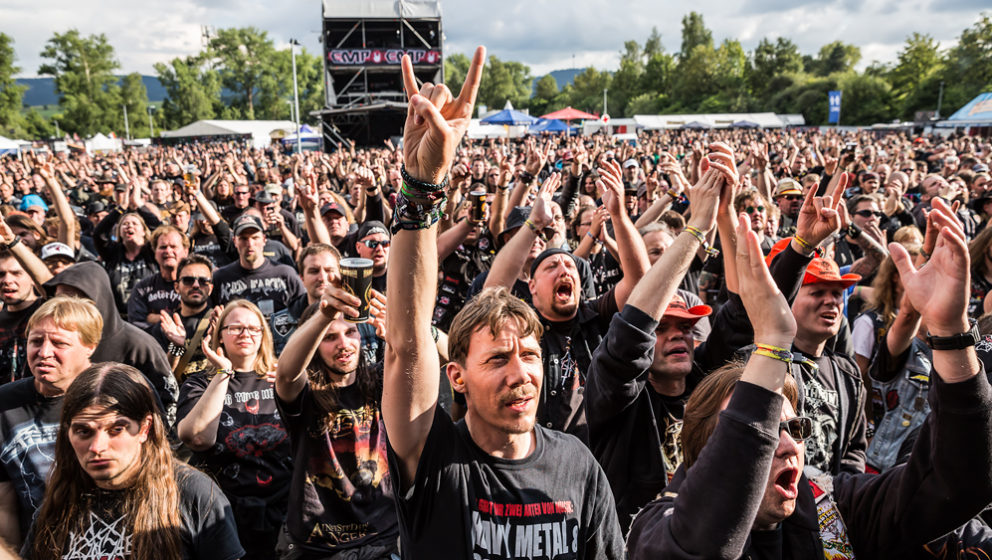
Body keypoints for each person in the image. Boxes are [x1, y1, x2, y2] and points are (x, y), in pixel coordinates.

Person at [627, 207, 992, 559]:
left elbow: (955, 481)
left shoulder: (831, 506)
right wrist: (772, 341)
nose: (788, 444)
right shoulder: (658, 528)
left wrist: (950, 334)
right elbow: (699, 544)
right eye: (764, 432)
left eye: (796, 428)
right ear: (707, 448)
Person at [383, 46, 624, 559]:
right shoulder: (435, 458)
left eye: (531, 355)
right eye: (496, 359)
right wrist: (423, 188)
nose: (522, 374)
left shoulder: (578, 465)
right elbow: (406, 343)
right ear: (456, 377)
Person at [584, 161, 725, 531]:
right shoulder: (618, 395)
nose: (678, 335)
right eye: (662, 328)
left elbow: (740, 324)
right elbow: (631, 330)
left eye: (686, 327)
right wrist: (694, 230)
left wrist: (723, 218)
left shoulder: (708, 386)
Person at [24, 363, 244, 560]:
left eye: (116, 429)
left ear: (144, 428)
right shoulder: (58, 503)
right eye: (83, 431)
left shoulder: (192, 494)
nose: (97, 447)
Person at [274, 291, 398, 558]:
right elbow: (286, 374)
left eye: (350, 332)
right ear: (315, 345)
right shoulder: (304, 393)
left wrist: (403, 333)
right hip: (318, 544)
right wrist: (325, 314)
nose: (343, 343)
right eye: (329, 337)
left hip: (382, 538)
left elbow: (442, 360)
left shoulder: (378, 381)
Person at [177, 300, 289, 560]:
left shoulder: (281, 377)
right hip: (223, 513)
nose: (245, 334)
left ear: (264, 334)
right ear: (220, 334)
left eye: (253, 328)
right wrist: (223, 373)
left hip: (283, 511)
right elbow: (197, 438)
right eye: (236, 327)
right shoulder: (199, 383)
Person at [0, 297, 101, 546]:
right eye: (36, 341)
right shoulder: (4, 403)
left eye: (59, 343)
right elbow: (4, 502)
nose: (44, 352)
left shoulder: (117, 392)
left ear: (90, 346)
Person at [43, 262, 178, 424]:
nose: (66, 308)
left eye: (74, 300)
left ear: (98, 300)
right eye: (59, 300)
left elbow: (167, 404)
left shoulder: (138, 346)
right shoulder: (46, 345)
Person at [212, 214, 306, 351]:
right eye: (243, 239)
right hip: (241, 352)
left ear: (264, 240)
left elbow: (305, 314)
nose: (250, 244)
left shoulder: (285, 274)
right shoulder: (221, 277)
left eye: (255, 238)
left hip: (283, 352)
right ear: (235, 241)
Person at [154, 254, 215, 378]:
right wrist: (176, 347)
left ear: (211, 288)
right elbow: (162, 377)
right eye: (188, 280)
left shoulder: (220, 322)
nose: (196, 285)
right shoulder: (165, 328)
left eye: (203, 281)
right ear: (176, 287)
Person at [127, 225, 188, 329]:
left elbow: (193, 319)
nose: (168, 251)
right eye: (163, 247)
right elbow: (136, 324)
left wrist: (154, 318)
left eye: (173, 247)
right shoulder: (142, 287)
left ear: (185, 251)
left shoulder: (193, 284)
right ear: (155, 252)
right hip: (152, 343)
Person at [0, 250, 42, 385]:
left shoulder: (48, 310)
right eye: (1, 274)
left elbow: (51, 283)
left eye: (16, 273)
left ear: (33, 278)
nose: (7, 280)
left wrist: (12, 241)